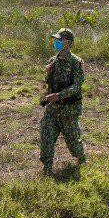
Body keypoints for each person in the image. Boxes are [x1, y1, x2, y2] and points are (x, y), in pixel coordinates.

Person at [39, 28, 86, 175]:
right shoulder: (52, 61)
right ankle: (47, 169)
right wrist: (48, 74)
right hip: (52, 109)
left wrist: (59, 95)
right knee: (46, 138)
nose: (56, 42)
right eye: (56, 39)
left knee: (73, 143)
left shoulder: (76, 63)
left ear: (69, 43)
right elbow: (48, 84)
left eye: (60, 40)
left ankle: (82, 161)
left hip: (69, 110)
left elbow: (77, 86)